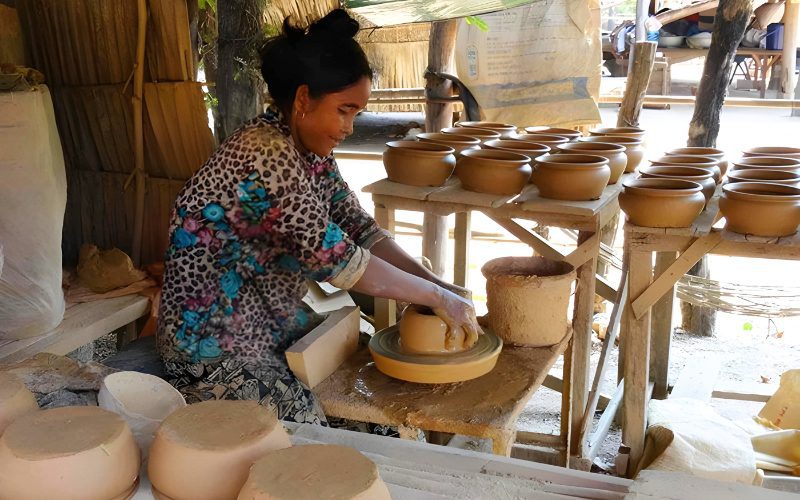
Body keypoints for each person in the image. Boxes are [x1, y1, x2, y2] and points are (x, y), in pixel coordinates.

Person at [157, 9, 482, 425]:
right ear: (303, 99)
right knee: (319, 434)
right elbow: (339, 261)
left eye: (356, 114)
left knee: (377, 410)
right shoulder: (264, 154)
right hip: (211, 347)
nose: (349, 127)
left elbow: (360, 229)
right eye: (344, 110)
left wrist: (439, 286)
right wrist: (435, 298)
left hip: (272, 323)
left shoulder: (309, 152)